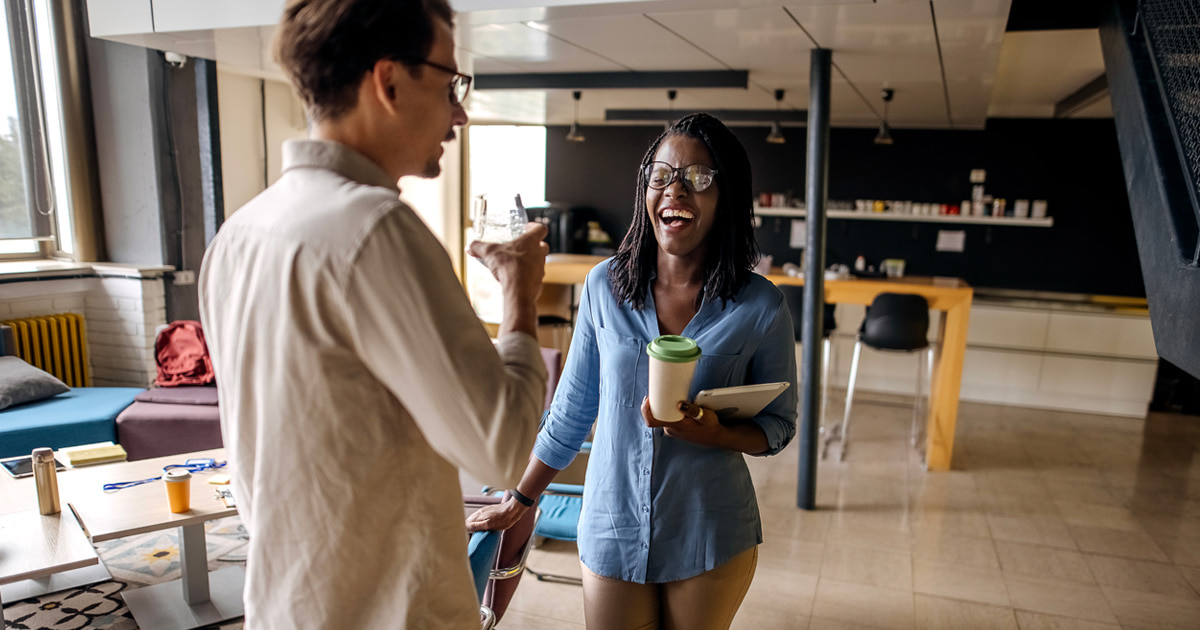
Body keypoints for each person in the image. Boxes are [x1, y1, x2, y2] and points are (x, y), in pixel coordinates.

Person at [197, 1, 549, 627]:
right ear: (388, 81)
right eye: (450, 84)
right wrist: (521, 293)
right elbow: (500, 446)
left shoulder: (238, 233)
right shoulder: (375, 229)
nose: (459, 111)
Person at [467, 113, 798, 629]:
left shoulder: (760, 306)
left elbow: (778, 427)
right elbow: (572, 411)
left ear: (726, 194)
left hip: (708, 531)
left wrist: (715, 433)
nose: (676, 189)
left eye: (698, 177)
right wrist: (520, 500)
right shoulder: (605, 287)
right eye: (661, 174)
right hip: (611, 522)